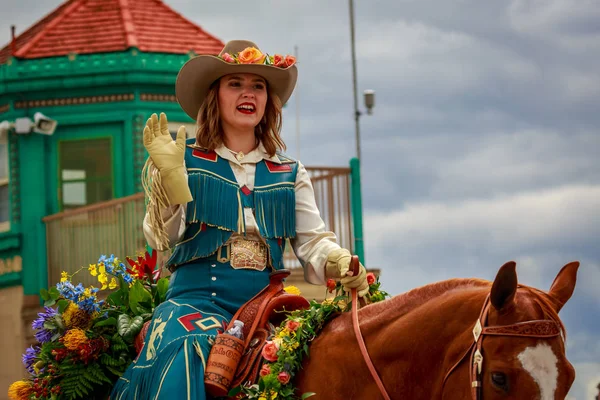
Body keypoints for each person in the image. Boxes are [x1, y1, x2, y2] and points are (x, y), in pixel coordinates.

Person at [111, 39, 368, 400]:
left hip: (266, 309)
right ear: (214, 95)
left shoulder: (290, 172)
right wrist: (170, 182)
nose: (249, 93)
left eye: (258, 86)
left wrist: (337, 259)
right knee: (187, 348)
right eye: (236, 84)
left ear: (268, 101)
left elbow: (312, 242)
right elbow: (160, 239)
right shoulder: (182, 159)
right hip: (195, 305)